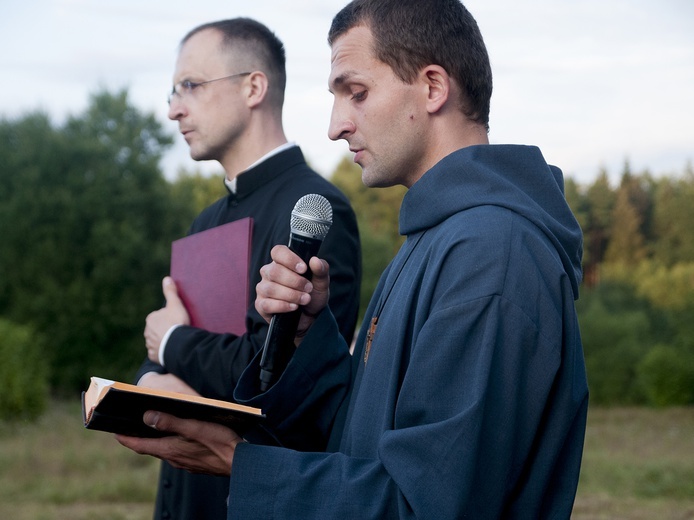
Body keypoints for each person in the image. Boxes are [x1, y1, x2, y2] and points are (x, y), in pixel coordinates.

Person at [118, 1, 589, 518]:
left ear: (433, 87)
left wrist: (239, 462)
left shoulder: (491, 254)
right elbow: (360, 436)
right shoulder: (435, 239)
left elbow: (427, 505)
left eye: (356, 93)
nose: (336, 125)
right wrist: (305, 335)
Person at [135, 17, 361, 520]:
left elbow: (280, 378)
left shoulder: (315, 209)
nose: (173, 109)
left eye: (190, 86)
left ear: (253, 86)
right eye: (173, 91)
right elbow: (170, 354)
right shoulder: (205, 220)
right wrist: (150, 376)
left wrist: (171, 344)